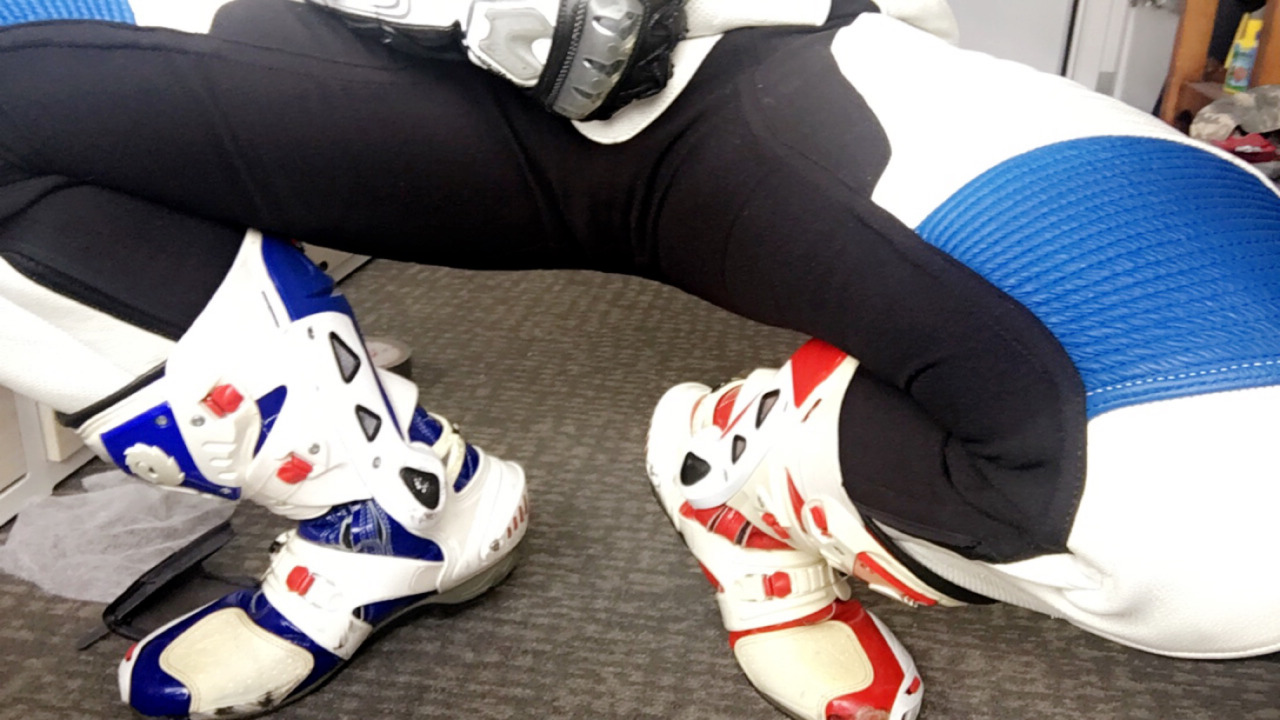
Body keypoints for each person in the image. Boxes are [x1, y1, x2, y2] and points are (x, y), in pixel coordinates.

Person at [1, 1, 1278, 719]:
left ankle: (746, 482)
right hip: (363, 39)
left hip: (775, 50)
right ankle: (389, 512)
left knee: (1234, 524)